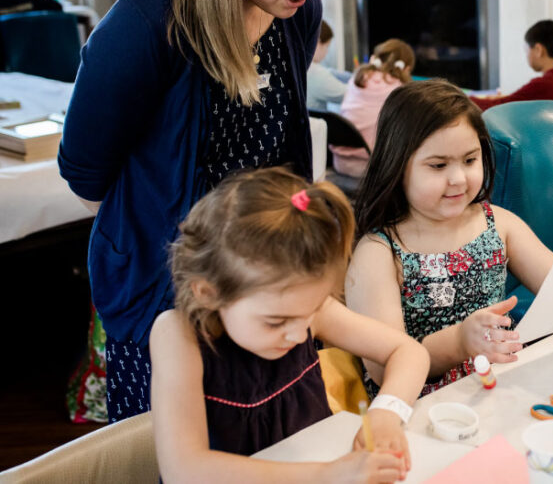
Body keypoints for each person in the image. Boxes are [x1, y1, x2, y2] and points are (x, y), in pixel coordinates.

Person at [58, 0, 333, 422]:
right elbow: (86, 172)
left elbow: (281, 144)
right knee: (165, 449)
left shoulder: (297, 13)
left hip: (263, 282)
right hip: (166, 290)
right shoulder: (147, 22)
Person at [345, 80, 553, 397]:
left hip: (502, 390)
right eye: (438, 165)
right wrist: (460, 342)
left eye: (470, 160)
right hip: (425, 412)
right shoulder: (379, 253)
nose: (459, 178)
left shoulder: (497, 223)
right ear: (397, 166)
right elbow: (383, 366)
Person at [151, 167, 429, 482]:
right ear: (209, 293)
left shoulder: (303, 310)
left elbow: (408, 351)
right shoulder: (178, 336)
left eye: (310, 312)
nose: (299, 334)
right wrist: (326, 475)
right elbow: (184, 470)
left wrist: (388, 413)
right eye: (276, 322)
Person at [333, 39, 415, 177]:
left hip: (340, 163)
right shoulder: (399, 89)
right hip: (373, 169)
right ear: (406, 69)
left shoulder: (357, 78)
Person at [469, 19, 553, 111]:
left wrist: (465, 98)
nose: (527, 55)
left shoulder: (543, 85)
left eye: (527, 50)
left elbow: (500, 108)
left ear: (538, 50)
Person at [306, 20, 348, 109]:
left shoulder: (300, 66)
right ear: (316, 42)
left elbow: (331, 73)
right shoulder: (315, 72)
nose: (327, 52)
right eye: (327, 46)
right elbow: (350, 94)